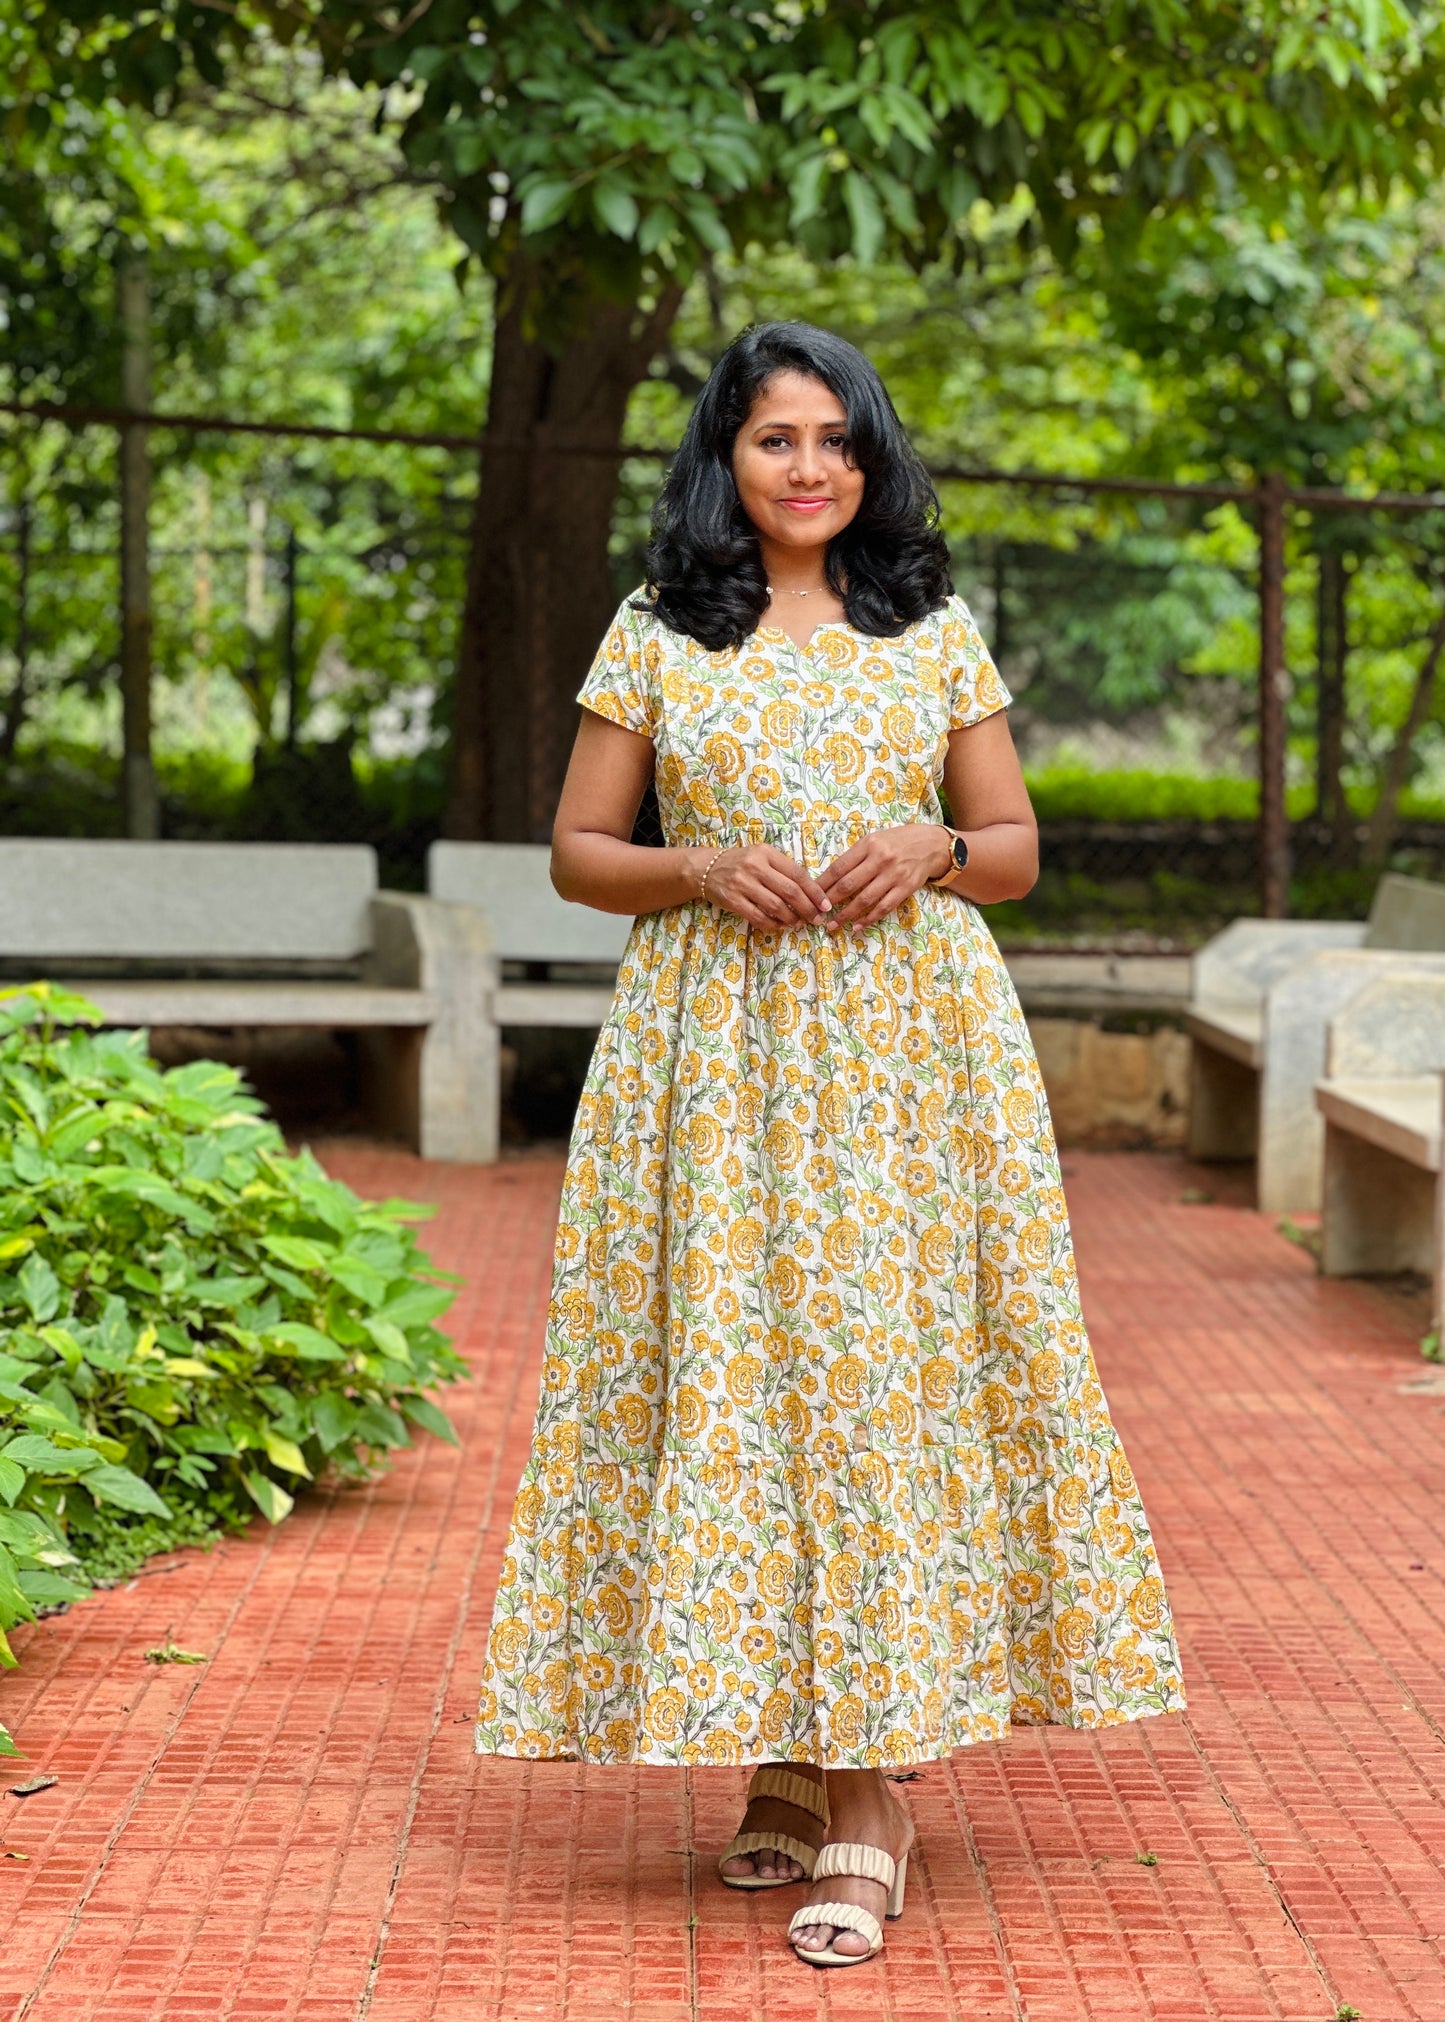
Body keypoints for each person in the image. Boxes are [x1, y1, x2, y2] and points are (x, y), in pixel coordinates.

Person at [475, 321, 1185, 1968]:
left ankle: (873, 1793)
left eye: (837, 439)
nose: (810, 467)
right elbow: (583, 850)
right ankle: (790, 1753)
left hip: (904, 1065)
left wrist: (930, 841)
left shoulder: (925, 622)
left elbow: (1012, 848)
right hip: (711, 1059)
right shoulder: (658, 624)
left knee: (879, 1379)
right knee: (741, 1369)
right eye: (776, 437)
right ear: (722, 455)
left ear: (872, 459)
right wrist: (699, 867)